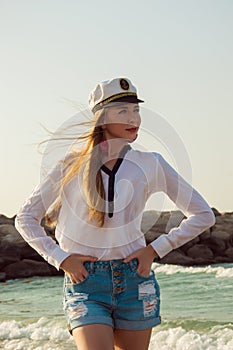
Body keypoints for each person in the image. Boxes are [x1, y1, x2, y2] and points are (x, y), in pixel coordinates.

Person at [15, 77, 215, 350]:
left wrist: (154, 250)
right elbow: (25, 218)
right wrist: (61, 259)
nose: (134, 118)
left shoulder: (150, 163)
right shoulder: (69, 166)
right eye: (123, 111)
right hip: (85, 283)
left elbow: (203, 214)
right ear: (101, 119)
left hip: (135, 280)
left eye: (136, 110)